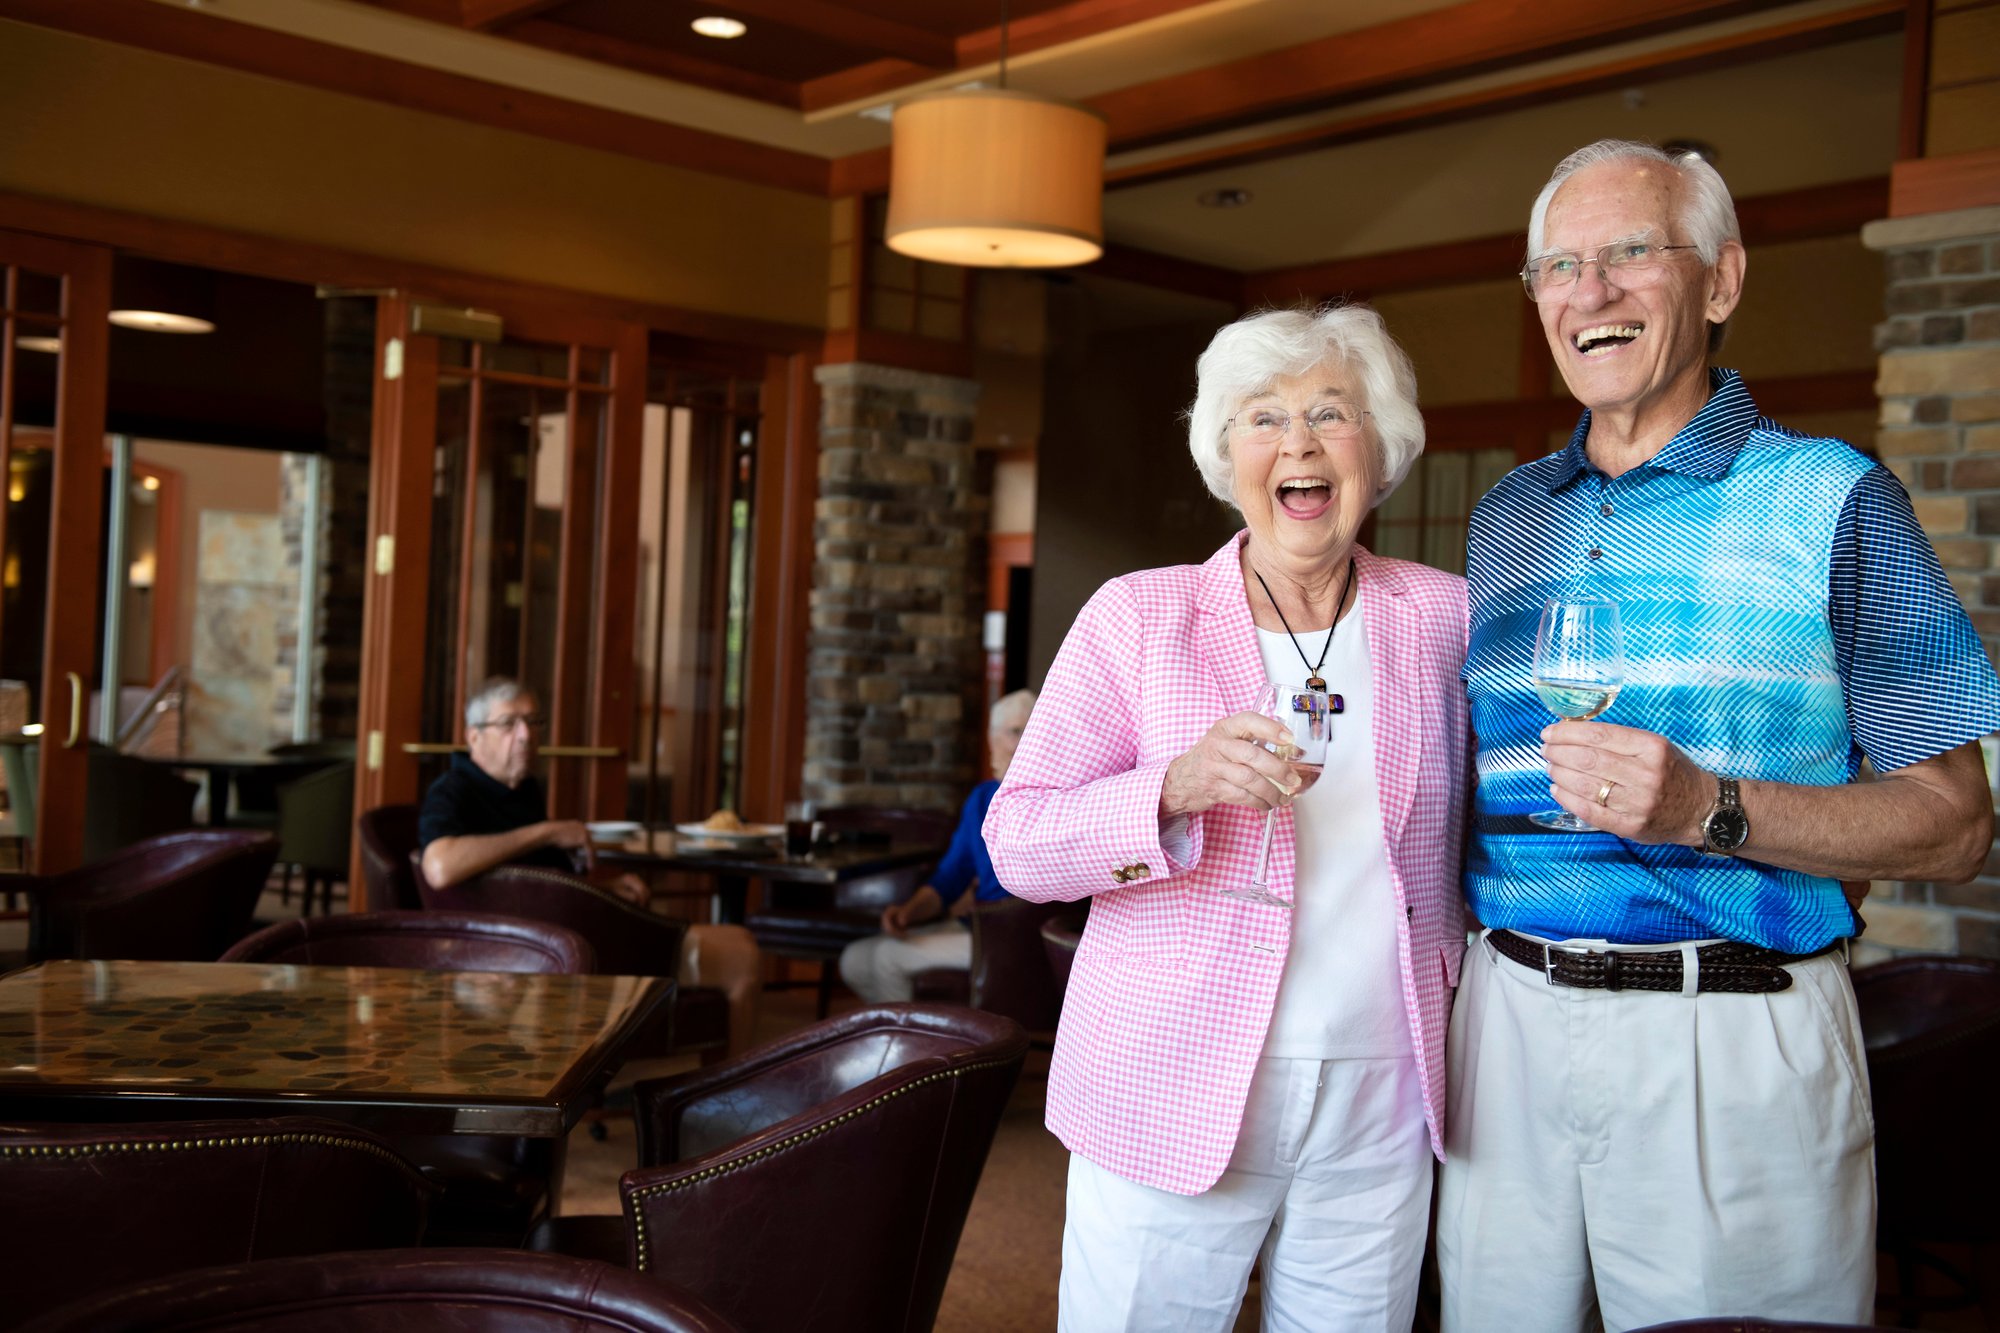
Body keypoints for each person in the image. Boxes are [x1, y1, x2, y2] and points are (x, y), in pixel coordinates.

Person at [1439, 138, 2000, 1331]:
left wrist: (1708, 807)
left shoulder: (1833, 498)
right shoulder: (1501, 518)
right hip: (1505, 1032)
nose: (1588, 291)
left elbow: (1957, 827)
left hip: (1729, 1039)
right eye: (1557, 265)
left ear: (1722, 283)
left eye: (1633, 253)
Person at [985, 305, 1469, 1330]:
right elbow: (1017, 842)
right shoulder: (1137, 614)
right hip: (1168, 1075)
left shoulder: (1441, 617)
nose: (1296, 441)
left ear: (1377, 446)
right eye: (1262, 417)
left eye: (1330, 411)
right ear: (1225, 453)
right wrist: (1168, 787)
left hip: (1382, 1089)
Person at [419, 676, 762, 1054]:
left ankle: (714, 1087)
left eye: (533, 722)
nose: (525, 736)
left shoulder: (520, 791)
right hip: (538, 960)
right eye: (508, 723)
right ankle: (735, 1095)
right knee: (741, 952)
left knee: (737, 944)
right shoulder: (452, 791)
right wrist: (546, 832)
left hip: (571, 941)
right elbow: (439, 866)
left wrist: (607, 891)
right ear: (473, 737)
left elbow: (545, 882)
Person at [839, 688, 1037, 1003]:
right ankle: (918, 1037)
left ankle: (907, 1047)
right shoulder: (983, 799)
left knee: (887, 958)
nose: (1024, 743)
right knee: (855, 959)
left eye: (1032, 731)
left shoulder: (1048, 799)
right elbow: (950, 877)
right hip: (975, 927)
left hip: (1008, 938)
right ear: (991, 739)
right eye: (1015, 732)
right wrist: (908, 912)